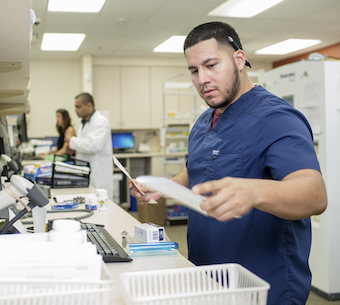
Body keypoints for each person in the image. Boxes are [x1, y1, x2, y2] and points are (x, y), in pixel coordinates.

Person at [131, 21, 327, 305]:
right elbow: (199, 166)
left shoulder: (277, 119)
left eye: (211, 65)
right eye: (194, 70)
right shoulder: (203, 122)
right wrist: (164, 187)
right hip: (206, 273)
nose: (202, 79)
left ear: (238, 59)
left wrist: (254, 191)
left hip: (261, 284)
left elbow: (314, 193)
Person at [65, 93, 113, 198]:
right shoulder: (84, 123)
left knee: (101, 207)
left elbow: (93, 146)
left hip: (98, 177)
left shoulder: (101, 121)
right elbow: (83, 145)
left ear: (89, 105)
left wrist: (71, 140)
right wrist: (71, 147)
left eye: (78, 106)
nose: (75, 109)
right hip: (86, 174)